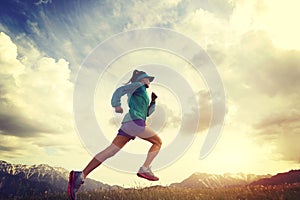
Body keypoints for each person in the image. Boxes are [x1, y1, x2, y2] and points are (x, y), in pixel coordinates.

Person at [68, 70, 162, 200]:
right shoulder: (138, 86)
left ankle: (81, 176)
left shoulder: (141, 92)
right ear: (142, 79)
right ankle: (144, 168)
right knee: (158, 142)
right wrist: (116, 105)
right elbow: (120, 90)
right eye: (148, 79)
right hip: (135, 121)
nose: (150, 81)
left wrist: (153, 102)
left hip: (129, 124)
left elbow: (146, 113)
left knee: (110, 151)